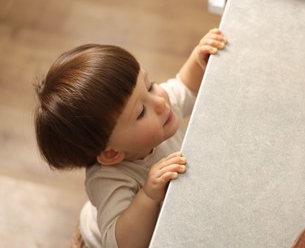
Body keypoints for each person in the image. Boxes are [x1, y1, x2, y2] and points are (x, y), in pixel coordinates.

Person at [34, 28, 227, 247]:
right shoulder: (107, 180)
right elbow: (122, 243)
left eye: (149, 85)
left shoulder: (158, 108)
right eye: (141, 112)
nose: (160, 101)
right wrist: (148, 196)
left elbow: (184, 87)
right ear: (112, 153)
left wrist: (197, 60)